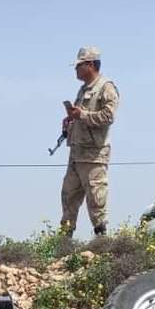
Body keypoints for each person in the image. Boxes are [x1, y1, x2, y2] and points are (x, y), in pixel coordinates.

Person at [60, 47, 119, 237]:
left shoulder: (106, 87)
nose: (76, 69)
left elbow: (108, 116)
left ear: (90, 65)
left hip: (94, 154)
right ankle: (64, 243)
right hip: (77, 153)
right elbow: (83, 117)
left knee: (96, 199)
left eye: (79, 65)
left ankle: (102, 242)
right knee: (68, 196)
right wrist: (71, 120)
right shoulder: (83, 89)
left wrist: (82, 115)